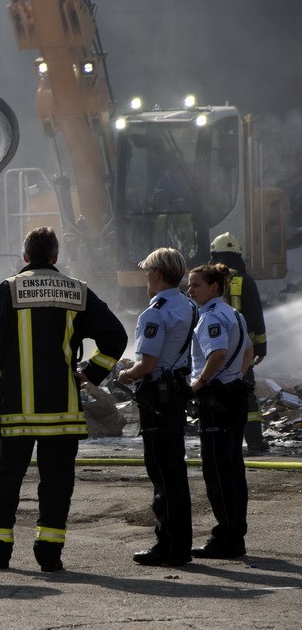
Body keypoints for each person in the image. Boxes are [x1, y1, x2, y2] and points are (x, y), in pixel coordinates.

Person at [0, 227, 127, 572]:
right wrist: (91, 372)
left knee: (7, 480)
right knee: (57, 483)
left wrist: (0, 385)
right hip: (63, 411)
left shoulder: (9, 288)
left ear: (25, 256)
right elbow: (116, 336)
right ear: (56, 256)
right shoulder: (77, 290)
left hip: (16, 409)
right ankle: (49, 555)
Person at [117, 248, 195, 566]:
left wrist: (125, 373)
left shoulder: (155, 312)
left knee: (161, 472)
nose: (145, 277)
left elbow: (147, 364)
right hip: (176, 395)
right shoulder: (189, 306)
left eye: (147, 271)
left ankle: (168, 546)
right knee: (175, 472)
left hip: (157, 399)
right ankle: (181, 544)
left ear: (158, 274)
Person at [186, 262, 253, 559]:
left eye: (195, 285)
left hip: (217, 401)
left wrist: (199, 384)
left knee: (217, 470)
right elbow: (248, 352)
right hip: (235, 395)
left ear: (214, 287)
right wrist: (234, 378)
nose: (190, 290)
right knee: (233, 468)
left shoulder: (210, 318)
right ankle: (235, 534)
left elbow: (218, 353)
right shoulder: (234, 314)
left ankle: (224, 538)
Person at [209, 232, 268, 453]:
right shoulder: (247, 282)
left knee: (215, 391)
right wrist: (261, 347)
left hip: (214, 349)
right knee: (246, 393)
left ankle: (220, 438)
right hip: (243, 350)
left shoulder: (209, 281)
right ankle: (253, 440)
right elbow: (256, 317)